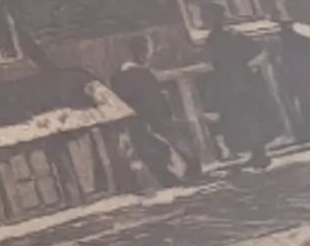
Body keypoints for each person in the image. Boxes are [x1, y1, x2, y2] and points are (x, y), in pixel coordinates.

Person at [108, 37, 193, 187]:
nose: (148, 56)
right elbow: (152, 99)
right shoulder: (141, 75)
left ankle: (171, 176)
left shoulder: (121, 75)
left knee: (155, 149)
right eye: (148, 52)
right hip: (148, 119)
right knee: (161, 147)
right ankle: (175, 175)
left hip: (138, 120)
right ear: (143, 53)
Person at [204, 18, 274, 171]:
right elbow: (256, 51)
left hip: (231, 83)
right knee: (248, 118)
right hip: (242, 80)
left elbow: (211, 60)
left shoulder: (215, 38)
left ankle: (258, 155)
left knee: (245, 119)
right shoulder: (233, 35)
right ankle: (258, 154)